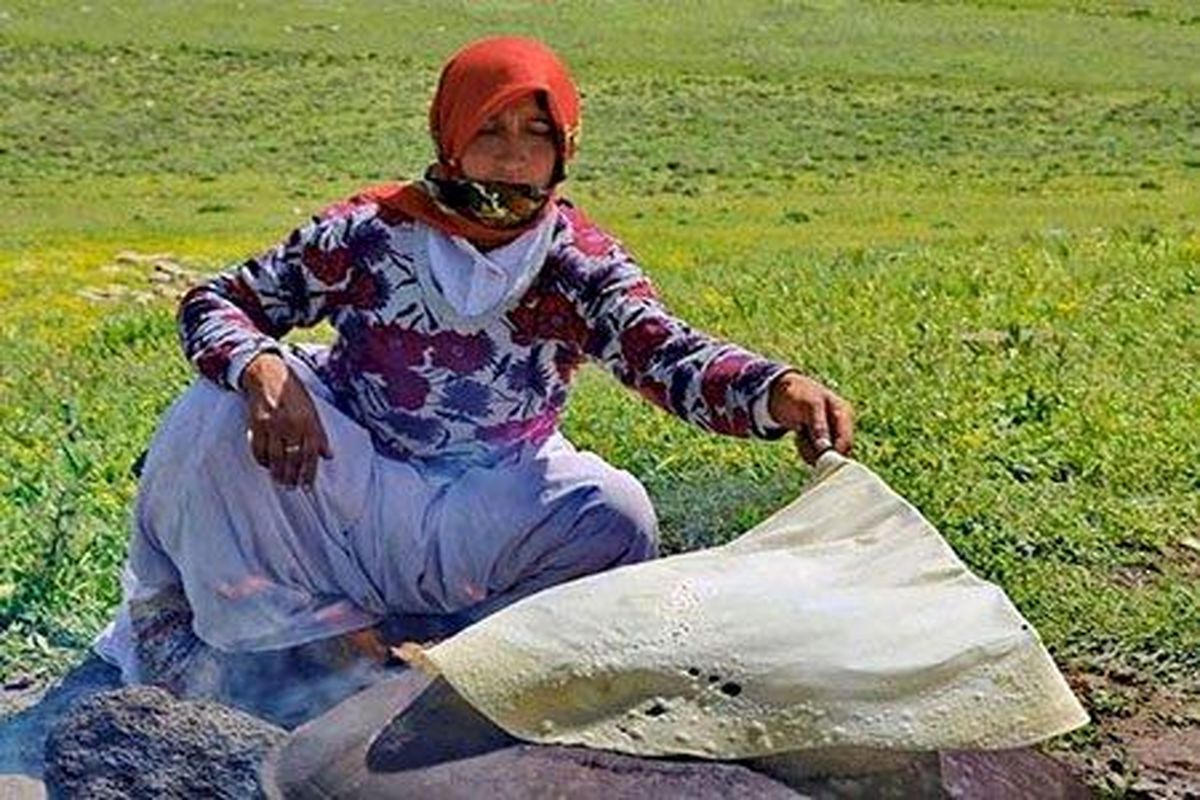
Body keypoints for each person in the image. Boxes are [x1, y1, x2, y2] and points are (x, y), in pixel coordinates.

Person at [95, 35, 853, 714]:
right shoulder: (371, 233)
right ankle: (297, 646)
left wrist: (772, 390)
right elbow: (218, 301)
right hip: (349, 479)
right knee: (216, 412)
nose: (513, 154)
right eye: (490, 128)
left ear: (566, 148)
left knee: (615, 515)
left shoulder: (577, 264)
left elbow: (663, 350)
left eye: (536, 133)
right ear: (450, 135)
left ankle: (448, 657)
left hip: (483, 497)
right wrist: (259, 365)